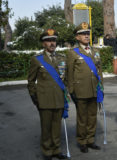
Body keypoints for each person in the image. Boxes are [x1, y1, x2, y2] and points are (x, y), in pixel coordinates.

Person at [27, 29, 68, 160]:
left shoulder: (62, 58)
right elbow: (31, 81)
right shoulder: (37, 59)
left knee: (57, 126)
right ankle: (47, 151)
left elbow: (65, 79)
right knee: (46, 127)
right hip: (44, 99)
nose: (52, 43)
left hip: (59, 98)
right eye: (49, 41)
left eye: (54, 40)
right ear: (43, 43)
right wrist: (34, 97)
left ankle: (56, 149)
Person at [66, 22, 103, 153]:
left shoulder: (96, 51)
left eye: (87, 33)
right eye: (83, 34)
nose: (86, 36)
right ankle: (82, 141)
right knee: (82, 118)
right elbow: (69, 74)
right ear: (77, 37)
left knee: (93, 116)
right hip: (80, 91)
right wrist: (71, 91)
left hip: (94, 89)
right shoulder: (72, 53)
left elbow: (99, 71)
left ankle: (90, 140)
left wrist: (101, 88)